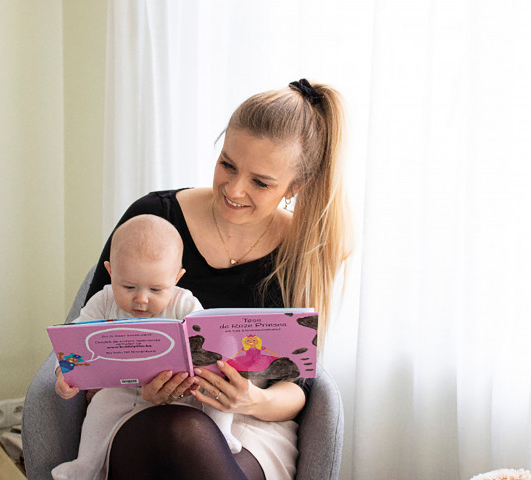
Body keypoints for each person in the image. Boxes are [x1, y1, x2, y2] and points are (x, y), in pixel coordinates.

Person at [85, 79, 352, 480]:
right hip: (139, 408)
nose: (234, 189)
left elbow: (300, 388)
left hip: (249, 424)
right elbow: (89, 348)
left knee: (187, 437)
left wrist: (251, 399)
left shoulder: (303, 251)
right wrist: (142, 386)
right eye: (227, 164)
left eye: (261, 182)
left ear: (294, 188)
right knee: (174, 429)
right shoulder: (153, 221)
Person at [52, 214, 242, 480]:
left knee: (215, 391)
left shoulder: (184, 303)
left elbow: (209, 343)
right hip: (121, 388)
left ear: (177, 278)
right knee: (98, 408)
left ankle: (222, 435)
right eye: (128, 286)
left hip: (182, 391)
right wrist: (65, 375)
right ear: (110, 272)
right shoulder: (103, 300)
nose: (141, 299)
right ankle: (84, 467)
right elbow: (75, 341)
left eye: (156, 289)